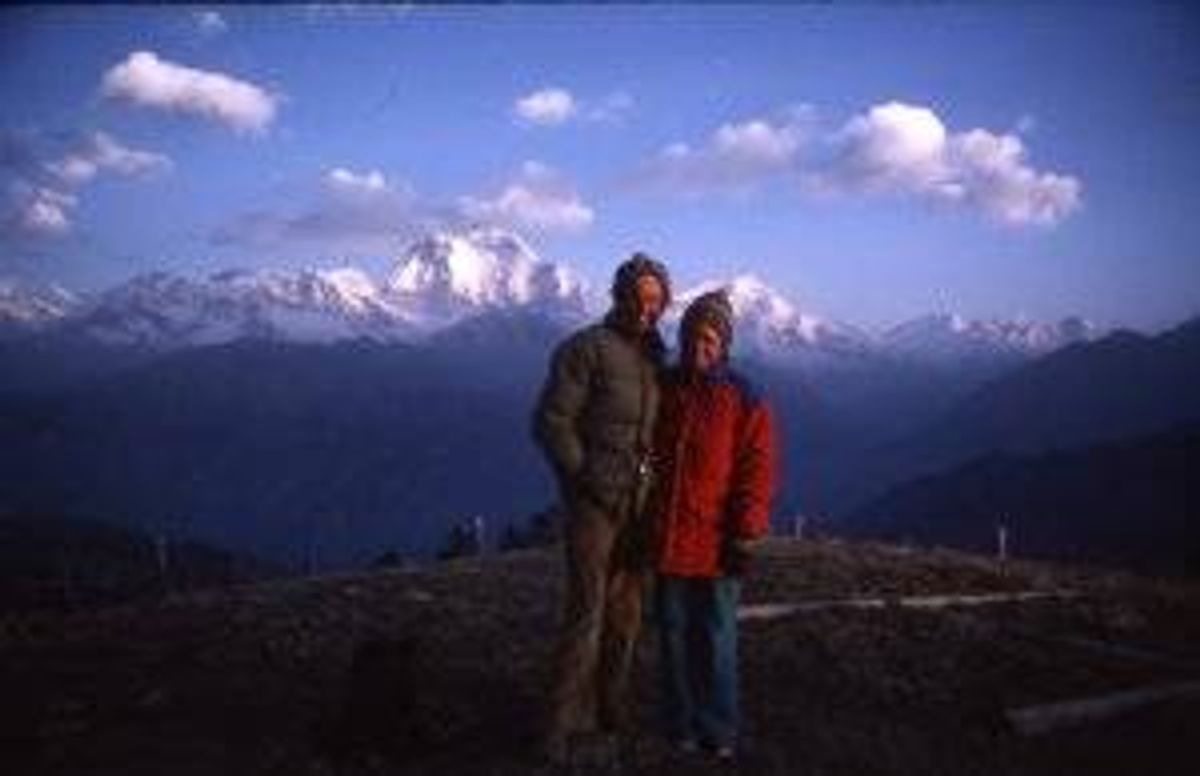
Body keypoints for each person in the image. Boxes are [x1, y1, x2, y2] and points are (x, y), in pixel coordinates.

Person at [532, 252, 672, 763]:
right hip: (594, 506)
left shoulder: (655, 357)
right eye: (638, 295)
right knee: (587, 613)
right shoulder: (585, 349)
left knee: (627, 615)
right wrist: (583, 475)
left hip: (638, 508)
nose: (646, 306)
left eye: (656, 298)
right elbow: (550, 421)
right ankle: (560, 730)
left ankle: (610, 716)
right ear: (619, 296)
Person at [649, 289, 778, 761]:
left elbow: (756, 471)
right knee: (673, 636)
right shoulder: (664, 387)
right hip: (667, 539)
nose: (696, 347)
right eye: (689, 336)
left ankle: (717, 731)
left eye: (707, 338)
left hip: (717, 543)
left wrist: (745, 534)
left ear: (723, 343)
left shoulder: (745, 399)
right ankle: (680, 726)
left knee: (716, 639)